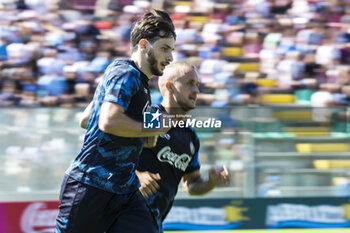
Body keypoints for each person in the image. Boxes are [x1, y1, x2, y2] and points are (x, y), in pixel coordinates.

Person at [55, 9, 176, 233]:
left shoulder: (142, 86)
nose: (170, 57)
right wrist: (153, 125)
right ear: (143, 45)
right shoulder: (125, 74)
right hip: (90, 186)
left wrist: (166, 108)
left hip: (124, 192)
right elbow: (108, 122)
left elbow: (86, 120)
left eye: (172, 50)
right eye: (165, 49)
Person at [136, 61, 231, 233]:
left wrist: (210, 183)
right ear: (170, 86)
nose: (196, 90)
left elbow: (191, 184)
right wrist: (136, 176)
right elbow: (108, 156)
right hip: (123, 216)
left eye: (197, 85)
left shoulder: (190, 137)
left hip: (153, 224)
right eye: (189, 84)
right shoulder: (150, 116)